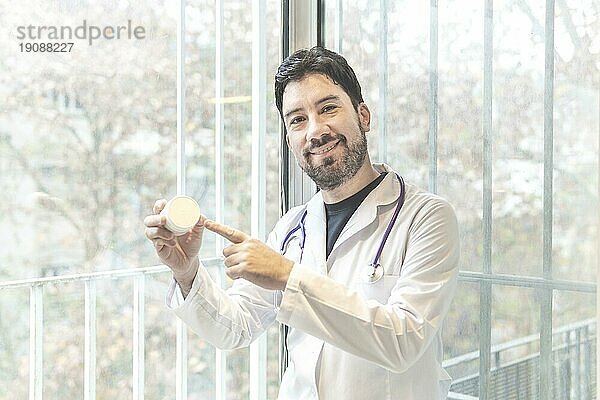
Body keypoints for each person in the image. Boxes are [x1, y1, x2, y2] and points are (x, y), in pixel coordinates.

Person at [144, 46, 459, 400]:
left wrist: (287, 276)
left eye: (328, 108)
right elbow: (235, 327)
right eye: (297, 119)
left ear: (364, 116)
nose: (315, 130)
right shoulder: (294, 227)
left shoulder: (426, 217)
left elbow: (404, 340)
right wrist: (186, 271)